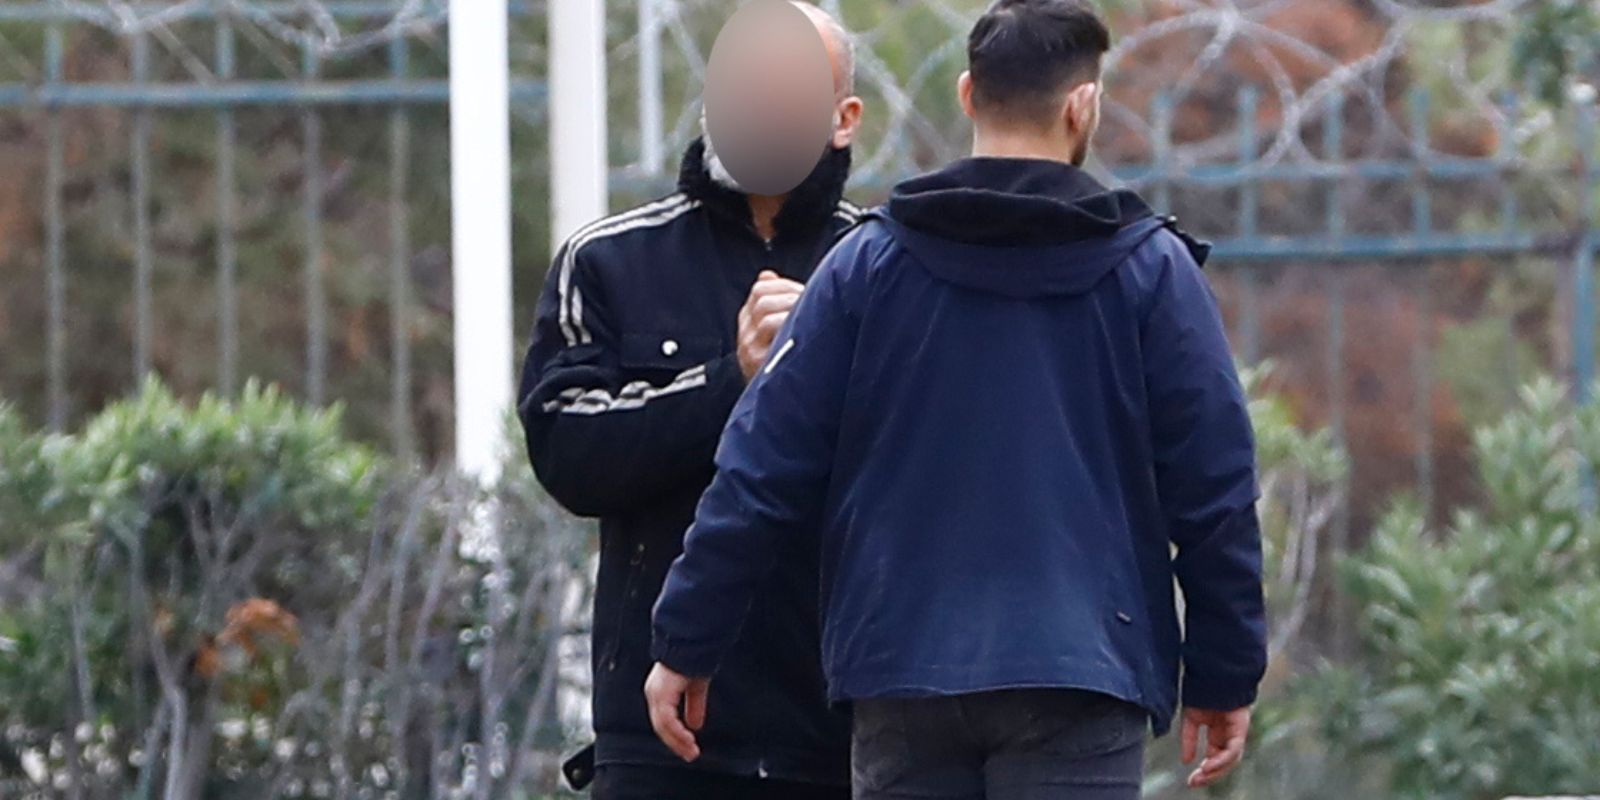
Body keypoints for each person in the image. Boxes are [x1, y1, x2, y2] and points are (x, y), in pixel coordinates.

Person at [644, 1, 1268, 798]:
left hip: (903, 669)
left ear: (968, 94)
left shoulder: (868, 265)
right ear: (1083, 105)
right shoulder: (1150, 274)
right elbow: (1214, 489)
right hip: (1079, 672)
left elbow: (762, 464)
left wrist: (688, 638)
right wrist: (1224, 671)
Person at [516, 4, 865, 798]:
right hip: (661, 736)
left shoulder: (876, 265)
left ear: (842, 119)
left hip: (839, 731)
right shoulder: (611, 260)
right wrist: (729, 381)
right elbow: (566, 451)